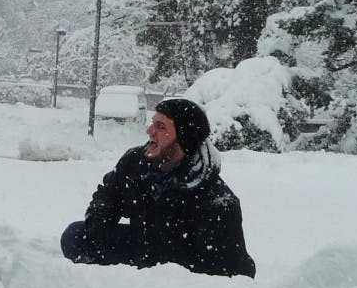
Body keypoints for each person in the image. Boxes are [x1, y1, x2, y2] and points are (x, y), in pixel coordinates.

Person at [60, 98, 256, 278]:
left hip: (182, 267)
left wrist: (166, 277)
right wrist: (98, 230)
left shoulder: (218, 202)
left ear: (184, 140)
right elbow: (106, 198)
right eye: (153, 123)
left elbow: (234, 270)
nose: (150, 131)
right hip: (142, 246)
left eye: (160, 127)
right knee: (76, 235)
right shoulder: (136, 162)